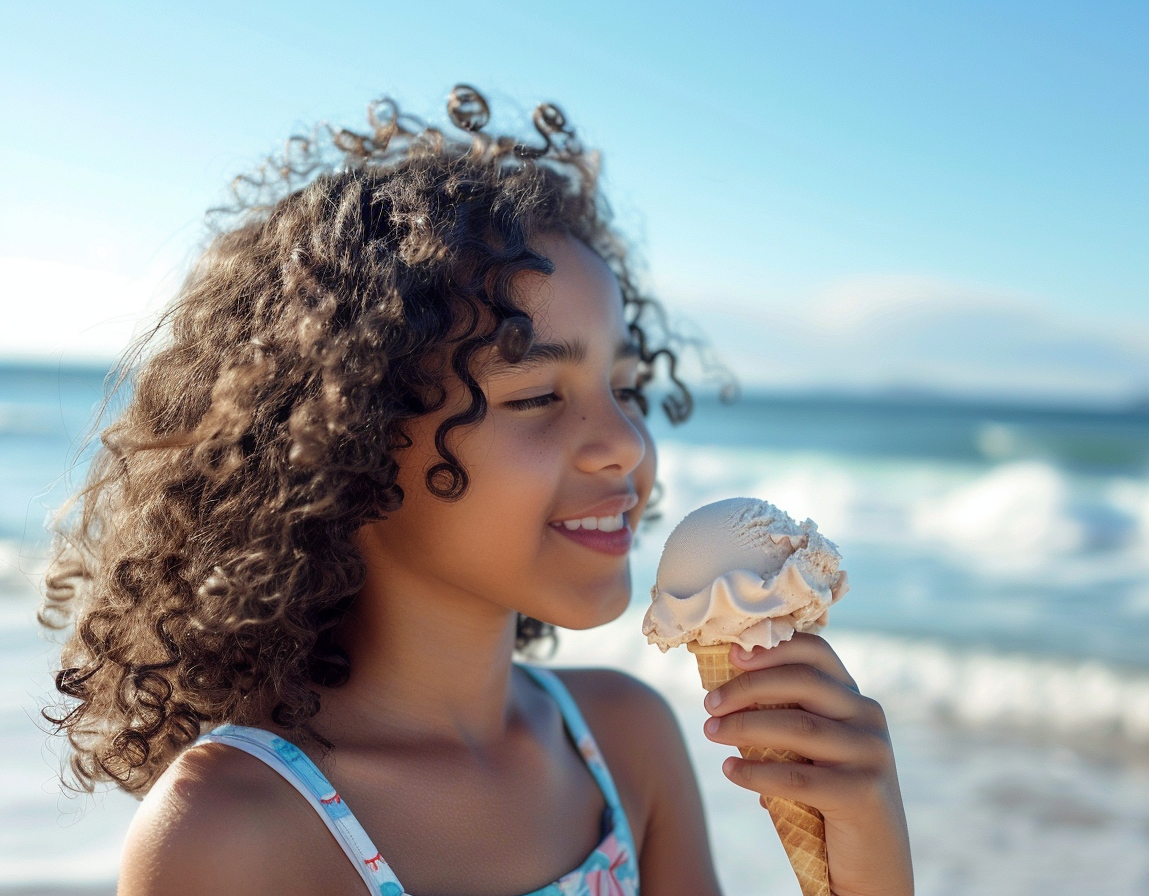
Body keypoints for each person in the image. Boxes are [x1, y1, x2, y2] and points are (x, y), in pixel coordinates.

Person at [42, 86, 914, 896]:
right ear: (347, 440)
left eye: (626, 389)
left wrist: (869, 857)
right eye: (537, 397)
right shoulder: (233, 830)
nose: (625, 445)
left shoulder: (626, 742)